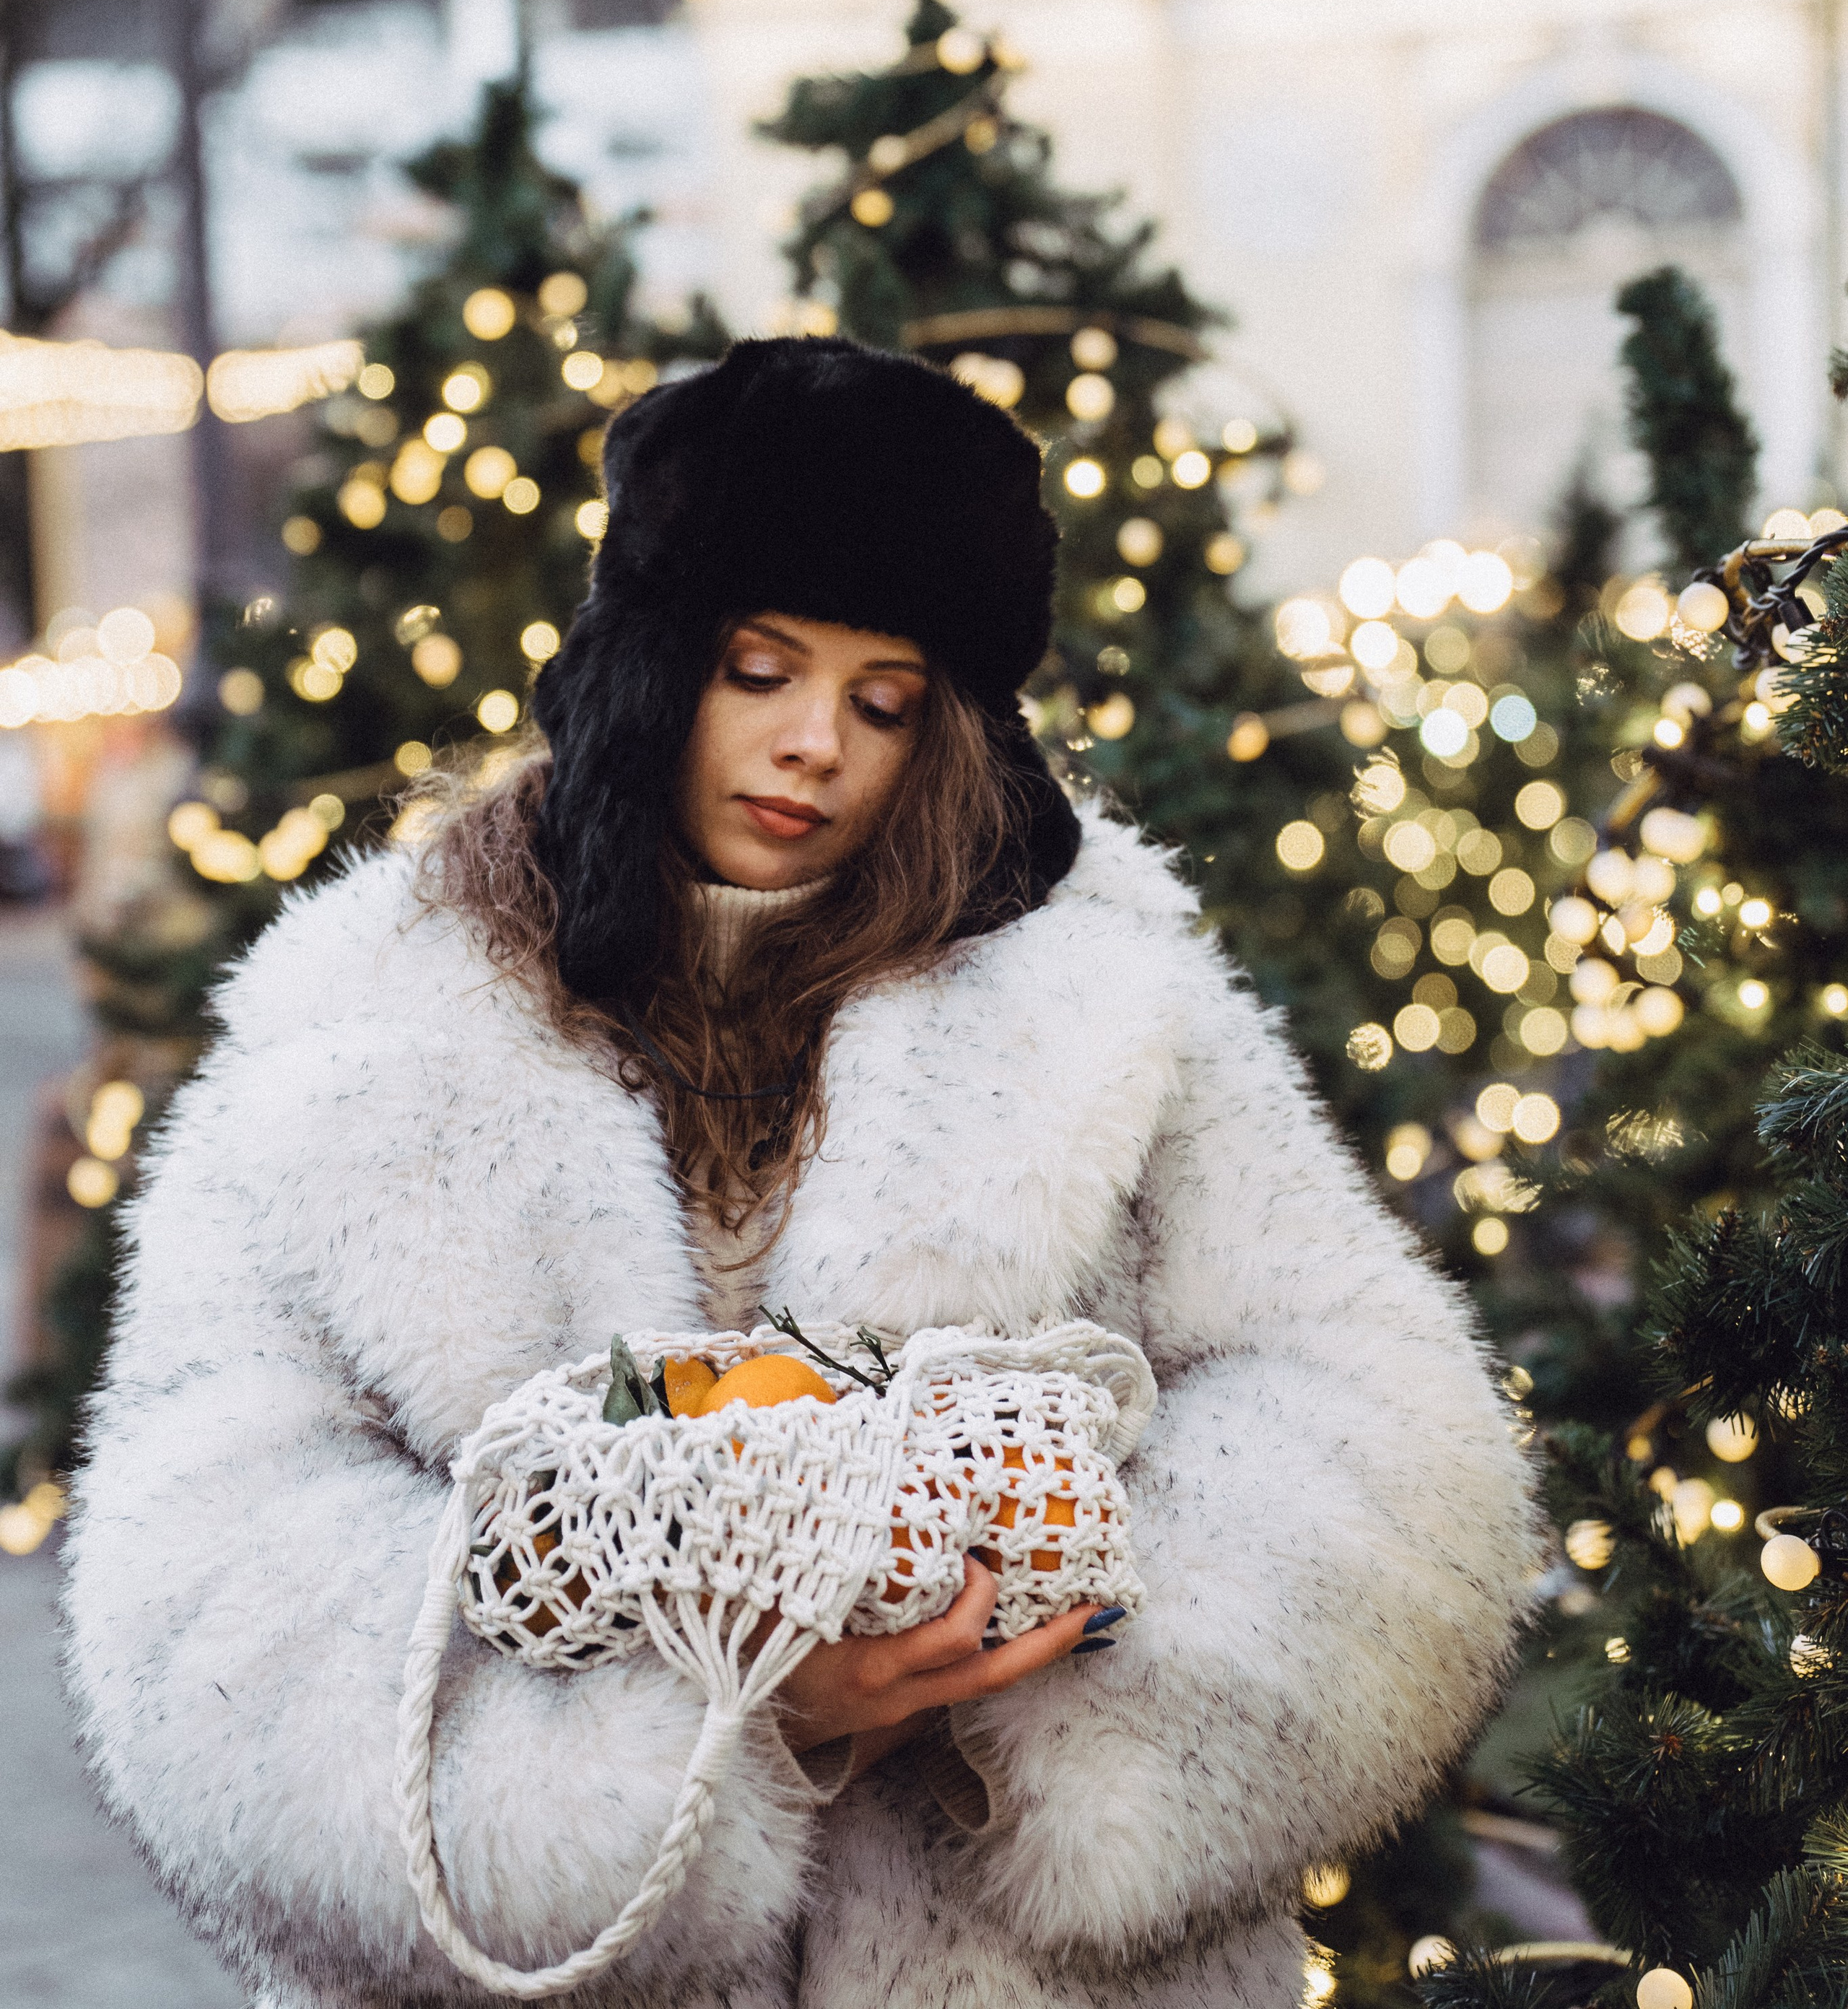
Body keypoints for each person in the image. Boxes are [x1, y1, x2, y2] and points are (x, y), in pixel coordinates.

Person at [66, 336, 1536, 2009]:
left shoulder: (1110, 1011)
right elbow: (212, 1568)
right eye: (757, 670)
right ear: (654, 662)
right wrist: (712, 1729)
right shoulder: (365, 1039)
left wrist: (1011, 1676)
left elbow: (1382, 1444)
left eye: (882, 699)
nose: (813, 746)